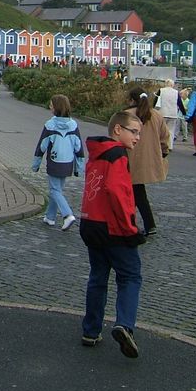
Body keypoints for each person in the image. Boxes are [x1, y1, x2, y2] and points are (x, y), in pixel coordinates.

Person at [80, 110, 146, 358]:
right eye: (134, 132)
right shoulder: (118, 155)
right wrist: (130, 228)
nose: (137, 138)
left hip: (91, 223)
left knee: (98, 276)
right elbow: (118, 193)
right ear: (118, 130)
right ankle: (124, 324)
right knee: (130, 276)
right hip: (113, 228)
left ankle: (91, 329)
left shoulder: (97, 153)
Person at [31, 94, 86, 231]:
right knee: (57, 190)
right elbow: (79, 148)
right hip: (68, 162)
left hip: (54, 162)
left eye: (51, 105)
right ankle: (50, 217)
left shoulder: (50, 125)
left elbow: (41, 146)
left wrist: (36, 164)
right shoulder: (73, 125)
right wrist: (79, 168)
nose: (49, 107)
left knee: (55, 190)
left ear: (56, 108)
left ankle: (67, 215)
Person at [124, 86, 170, 235]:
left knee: (127, 194)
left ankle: (129, 224)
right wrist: (163, 153)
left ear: (131, 99)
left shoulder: (126, 115)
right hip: (147, 161)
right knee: (139, 193)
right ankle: (149, 224)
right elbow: (165, 138)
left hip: (127, 160)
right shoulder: (156, 115)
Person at [156, 79, 185, 148]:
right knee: (171, 130)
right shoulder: (176, 92)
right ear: (173, 85)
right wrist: (184, 113)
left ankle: (161, 144)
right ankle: (170, 146)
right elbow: (180, 103)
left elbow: (156, 101)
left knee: (161, 130)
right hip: (173, 114)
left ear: (165, 84)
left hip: (162, 113)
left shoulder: (161, 90)